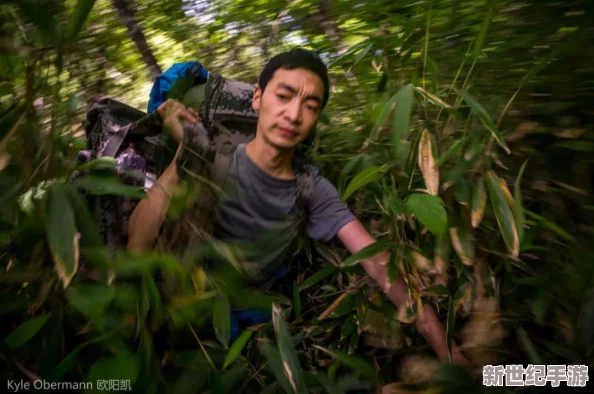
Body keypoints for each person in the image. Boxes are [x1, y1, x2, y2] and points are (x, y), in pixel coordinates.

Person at [127, 48, 469, 365]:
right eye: (284, 95)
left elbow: (380, 266)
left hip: (250, 317)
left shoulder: (312, 189)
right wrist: (186, 152)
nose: (294, 115)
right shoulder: (212, 158)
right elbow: (138, 244)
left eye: (310, 105)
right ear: (258, 98)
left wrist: (448, 351)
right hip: (185, 302)